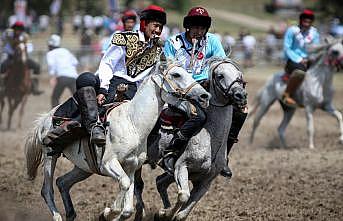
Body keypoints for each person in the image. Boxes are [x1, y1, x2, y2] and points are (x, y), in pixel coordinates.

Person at [43, 5, 167, 148]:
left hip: (136, 90)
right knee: (85, 79)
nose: (158, 31)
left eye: (161, 27)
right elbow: (108, 63)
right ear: (145, 23)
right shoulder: (123, 38)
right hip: (113, 81)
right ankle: (76, 127)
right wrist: (103, 89)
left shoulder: (159, 50)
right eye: (155, 26)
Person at [161, 6, 247, 178]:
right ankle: (171, 150)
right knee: (198, 116)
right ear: (188, 26)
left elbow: (221, 63)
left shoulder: (212, 41)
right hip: (181, 89)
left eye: (202, 27)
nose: (198, 31)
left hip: (207, 87)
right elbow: (169, 69)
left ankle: (223, 157)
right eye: (195, 26)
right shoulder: (173, 43)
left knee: (240, 112)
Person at [282, 9, 320, 107]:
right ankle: (286, 95)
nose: (307, 21)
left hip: (309, 59)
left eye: (309, 19)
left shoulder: (314, 33)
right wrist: (300, 59)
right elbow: (287, 48)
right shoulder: (292, 30)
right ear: (301, 19)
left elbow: (316, 48)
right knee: (300, 72)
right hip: (293, 60)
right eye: (305, 19)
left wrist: (310, 58)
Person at [0, 21, 43, 95]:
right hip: (12, 58)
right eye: (16, 29)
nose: (18, 31)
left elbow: (30, 47)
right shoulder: (8, 36)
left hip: (23, 57)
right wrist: (13, 52)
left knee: (37, 66)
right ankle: (2, 86)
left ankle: (35, 87)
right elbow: (5, 46)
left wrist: (24, 50)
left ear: (22, 30)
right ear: (14, 29)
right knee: (2, 67)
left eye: (19, 29)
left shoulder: (25, 37)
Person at [46, 34, 78, 108]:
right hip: (73, 77)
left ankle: (56, 116)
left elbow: (51, 66)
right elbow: (75, 62)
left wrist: (52, 77)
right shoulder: (65, 51)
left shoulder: (50, 53)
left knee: (55, 98)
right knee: (78, 98)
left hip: (62, 77)